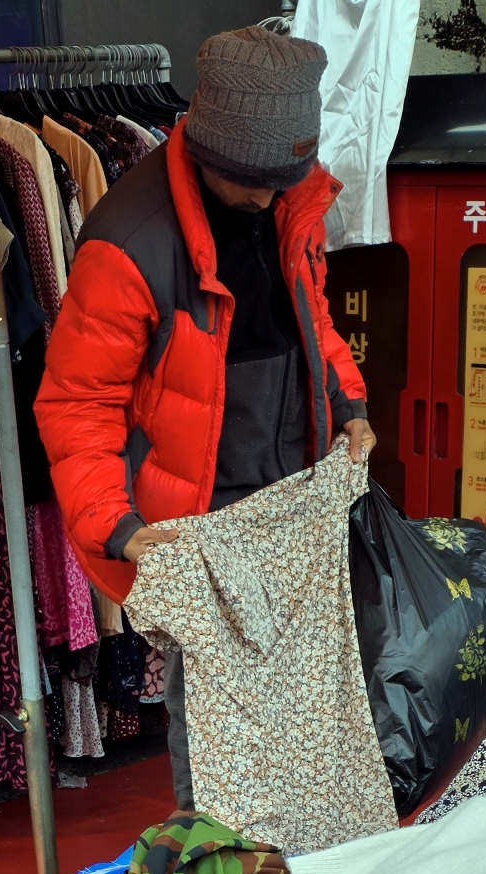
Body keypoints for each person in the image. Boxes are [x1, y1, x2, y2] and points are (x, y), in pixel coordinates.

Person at [36, 25, 377, 809]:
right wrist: (114, 527)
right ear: (208, 149)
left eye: (279, 178)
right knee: (223, 746)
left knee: (314, 717)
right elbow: (75, 402)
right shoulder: (130, 241)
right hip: (202, 523)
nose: (264, 197)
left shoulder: (291, 196)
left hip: (294, 501)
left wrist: (350, 403)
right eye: (250, 181)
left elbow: (312, 319)